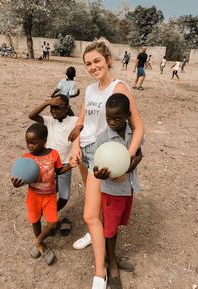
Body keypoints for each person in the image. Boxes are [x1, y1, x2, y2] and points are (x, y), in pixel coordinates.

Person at [69, 40, 144, 289]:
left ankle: (100, 273)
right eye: (88, 63)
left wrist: (124, 161)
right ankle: (95, 235)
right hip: (85, 152)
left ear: (108, 60)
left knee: (90, 214)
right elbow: (82, 121)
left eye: (97, 61)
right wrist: (75, 145)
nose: (92, 67)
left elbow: (138, 128)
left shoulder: (119, 87)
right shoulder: (90, 90)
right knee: (96, 207)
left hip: (104, 157)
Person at [93, 93, 143, 289]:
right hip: (111, 192)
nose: (112, 122)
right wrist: (100, 174)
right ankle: (111, 263)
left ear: (127, 115)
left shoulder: (134, 132)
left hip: (127, 188)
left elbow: (139, 154)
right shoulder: (102, 139)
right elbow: (96, 170)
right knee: (110, 230)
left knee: (116, 226)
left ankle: (111, 254)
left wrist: (127, 168)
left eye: (117, 118)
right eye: (108, 117)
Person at [11, 123, 75, 264]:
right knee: (35, 221)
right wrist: (16, 185)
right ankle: (41, 245)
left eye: (34, 143)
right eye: (28, 142)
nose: (30, 146)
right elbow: (23, 178)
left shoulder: (53, 154)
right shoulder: (26, 158)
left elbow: (58, 171)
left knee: (52, 223)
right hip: (33, 196)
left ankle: (37, 241)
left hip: (49, 196)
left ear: (44, 140)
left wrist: (70, 165)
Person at [28, 95, 78, 235]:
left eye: (57, 107)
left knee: (64, 197)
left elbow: (84, 123)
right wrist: (48, 102)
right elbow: (32, 115)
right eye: (51, 108)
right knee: (47, 193)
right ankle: (50, 218)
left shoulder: (73, 121)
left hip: (65, 166)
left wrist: (78, 128)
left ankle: (51, 213)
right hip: (48, 166)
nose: (53, 111)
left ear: (67, 109)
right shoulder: (49, 121)